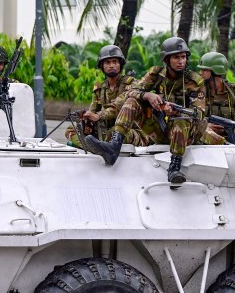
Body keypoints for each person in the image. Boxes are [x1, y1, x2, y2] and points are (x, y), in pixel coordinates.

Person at [84, 37, 206, 185]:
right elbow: (131, 92)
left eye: (183, 57)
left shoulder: (195, 81)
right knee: (132, 102)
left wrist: (177, 111)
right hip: (161, 129)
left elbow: (199, 113)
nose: (181, 61)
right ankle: (113, 147)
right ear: (167, 59)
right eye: (176, 57)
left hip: (185, 133)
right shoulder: (155, 74)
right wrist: (148, 95)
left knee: (181, 120)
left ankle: (174, 167)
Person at [65, 45, 144, 149]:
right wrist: (87, 123)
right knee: (70, 130)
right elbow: (92, 113)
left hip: (129, 131)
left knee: (113, 134)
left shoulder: (131, 84)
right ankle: (91, 147)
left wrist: (98, 116)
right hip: (105, 132)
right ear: (102, 66)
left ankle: (92, 146)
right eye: (107, 62)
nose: (111, 65)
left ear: (120, 64)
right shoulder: (99, 88)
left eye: (115, 62)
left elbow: (116, 107)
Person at [197, 51, 235, 144]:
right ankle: (225, 144)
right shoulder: (197, 91)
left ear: (215, 70)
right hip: (205, 140)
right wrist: (205, 125)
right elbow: (192, 117)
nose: (200, 73)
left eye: (204, 70)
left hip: (233, 136)